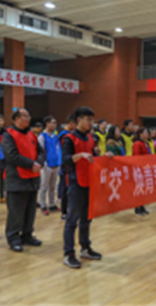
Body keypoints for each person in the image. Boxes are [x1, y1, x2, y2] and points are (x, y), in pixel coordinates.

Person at [61, 106, 113, 269]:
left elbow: (93, 158)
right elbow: (65, 159)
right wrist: (79, 156)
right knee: (72, 220)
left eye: (92, 120)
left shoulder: (90, 138)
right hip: (75, 183)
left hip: (90, 182)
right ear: (79, 120)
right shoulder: (69, 138)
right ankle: (69, 253)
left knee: (87, 217)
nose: (91, 122)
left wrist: (104, 157)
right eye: (88, 119)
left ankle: (85, 248)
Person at [1, 108, 46, 252]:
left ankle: (27, 235)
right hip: (17, 179)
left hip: (32, 179)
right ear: (16, 119)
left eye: (29, 116)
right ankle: (13, 238)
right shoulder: (8, 135)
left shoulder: (31, 134)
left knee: (30, 210)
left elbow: (41, 151)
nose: (28, 118)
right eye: (25, 116)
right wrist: (31, 164)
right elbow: (11, 156)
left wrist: (39, 162)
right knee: (16, 212)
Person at [38, 116, 61, 215]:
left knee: (53, 186)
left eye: (55, 123)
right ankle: (43, 205)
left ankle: (52, 204)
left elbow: (58, 149)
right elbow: (41, 151)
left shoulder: (55, 136)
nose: (55, 124)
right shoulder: (42, 136)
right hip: (46, 165)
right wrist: (44, 164)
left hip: (56, 164)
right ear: (47, 123)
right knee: (44, 186)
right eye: (53, 122)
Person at [57, 114, 77, 220]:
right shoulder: (64, 136)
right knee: (65, 188)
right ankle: (64, 212)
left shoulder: (69, 134)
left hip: (70, 164)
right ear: (71, 123)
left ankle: (70, 209)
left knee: (69, 188)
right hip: (65, 165)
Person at [132, 127, 151, 216]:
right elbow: (137, 157)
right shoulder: (137, 144)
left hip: (146, 168)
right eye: (145, 132)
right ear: (140, 134)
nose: (147, 134)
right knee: (139, 188)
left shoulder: (146, 143)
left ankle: (142, 206)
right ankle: (137, 208)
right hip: (139, 169)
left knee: (144, 189)